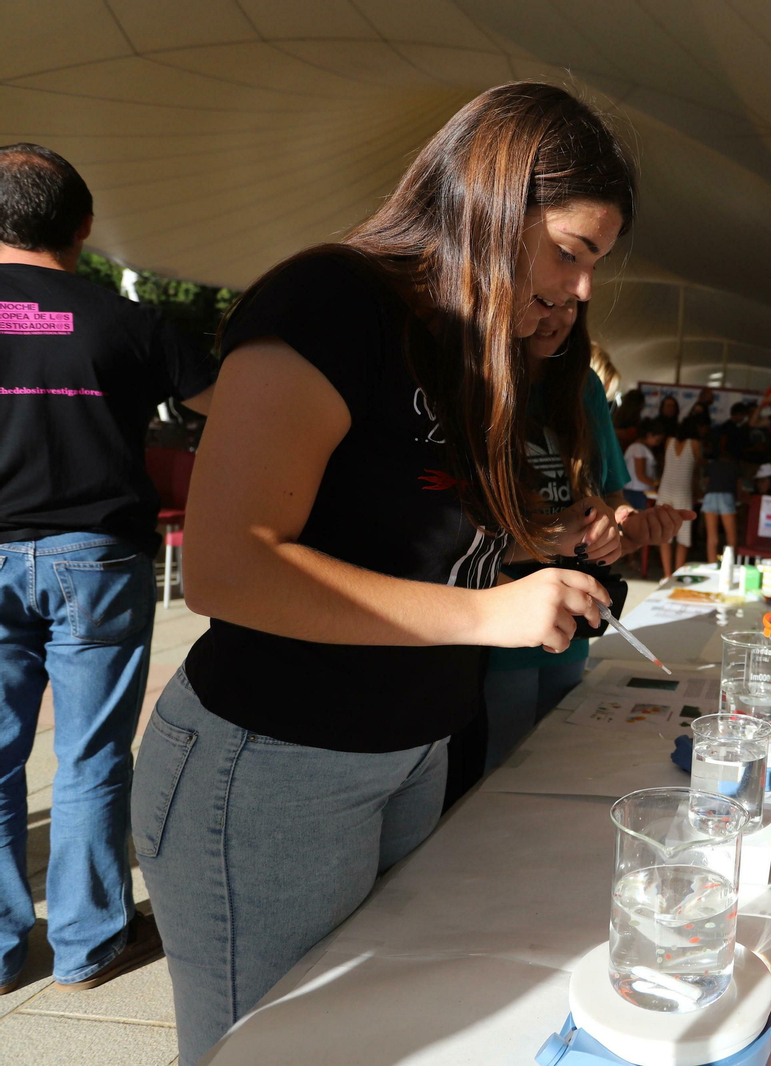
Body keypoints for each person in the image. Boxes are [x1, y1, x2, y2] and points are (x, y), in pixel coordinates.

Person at [128, 83, 662, 1064]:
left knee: (374, 1038)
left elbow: (421, 528)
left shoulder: (474, 341)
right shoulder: (333, 298)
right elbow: (229, 566)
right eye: (571, 252)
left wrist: (548, 540)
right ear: (494, 202)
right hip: (274, 760)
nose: (583, 289)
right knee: (270, 1048)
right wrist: (487, 616)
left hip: (412, 748)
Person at [0, 144, 217, 996]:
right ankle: (90, 946)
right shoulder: (133, 322)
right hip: (95, 559)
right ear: (85, 225)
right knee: (91, 760)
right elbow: (234, 404)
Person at [482, 301, 690, 773]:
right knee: (497, 776)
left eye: (572, 305)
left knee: (558, 761)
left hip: (574, 622)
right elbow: (448, 536)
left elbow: (610, 502)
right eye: (543, 300)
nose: (556, 315)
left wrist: (629, 528)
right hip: (494, 627)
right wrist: (551, 536)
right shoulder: (478, 382)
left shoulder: (583, 387)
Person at [655, 416, 701, 576]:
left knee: (665, 536)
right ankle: (676, 575)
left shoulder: (669, 441)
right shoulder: (695, 444)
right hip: (684, 492)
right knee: (683, 536)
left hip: (665, 490)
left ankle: (667, 575)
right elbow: (697, 470)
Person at [702, 413, 741, 563]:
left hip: (710, 496)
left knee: (712, 537)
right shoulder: (734, 467)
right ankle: (729, 565)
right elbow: (738, 488)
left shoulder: (712, 465)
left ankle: (712, 565)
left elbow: (706, 482)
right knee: (731, 537)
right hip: (726, 497)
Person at [623, 418, 664, 511]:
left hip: (637, 491)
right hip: (636, 492)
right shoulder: (638, 448)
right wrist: (657, 485)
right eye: (657, 440)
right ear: (649, 435)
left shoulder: (639, 448)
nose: (657, 444)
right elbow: (640, 475)